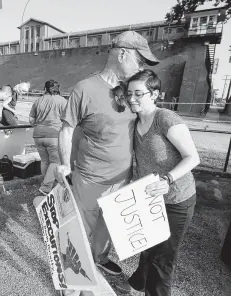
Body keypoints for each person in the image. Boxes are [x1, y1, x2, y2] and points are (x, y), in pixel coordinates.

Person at [54, 30, 160, 294]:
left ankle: (96, 267)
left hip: (123, 180)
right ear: (122, 54)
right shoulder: (84, 88)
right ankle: (72, 286)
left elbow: (150, 120)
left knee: (106, 234)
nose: (142, 67)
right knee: (76, 237)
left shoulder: (131, 93)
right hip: (89, 180)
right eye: (140, 60)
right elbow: (67, 130)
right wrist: (64, 164)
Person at [126, 69, 200, 296]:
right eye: (129, 93)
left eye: (139, 93)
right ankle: (138, 283)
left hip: (177, 199)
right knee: (147, 246)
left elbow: (193, 157)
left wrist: (168, 179)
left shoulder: (165, 119)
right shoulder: (133, 122)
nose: (131, 99)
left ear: (155, 94)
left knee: (163, 259)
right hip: (151, 198)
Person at [29, 79, 67, 195]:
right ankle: (46, 187)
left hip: (38, 134)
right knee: (56, 161)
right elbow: (67, 119)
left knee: (45, 161)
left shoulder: (38, 100)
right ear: (58, 89)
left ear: (45, 89)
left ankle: (45, 182)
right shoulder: (62, 101)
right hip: (54, 134)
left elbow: (31, 120)